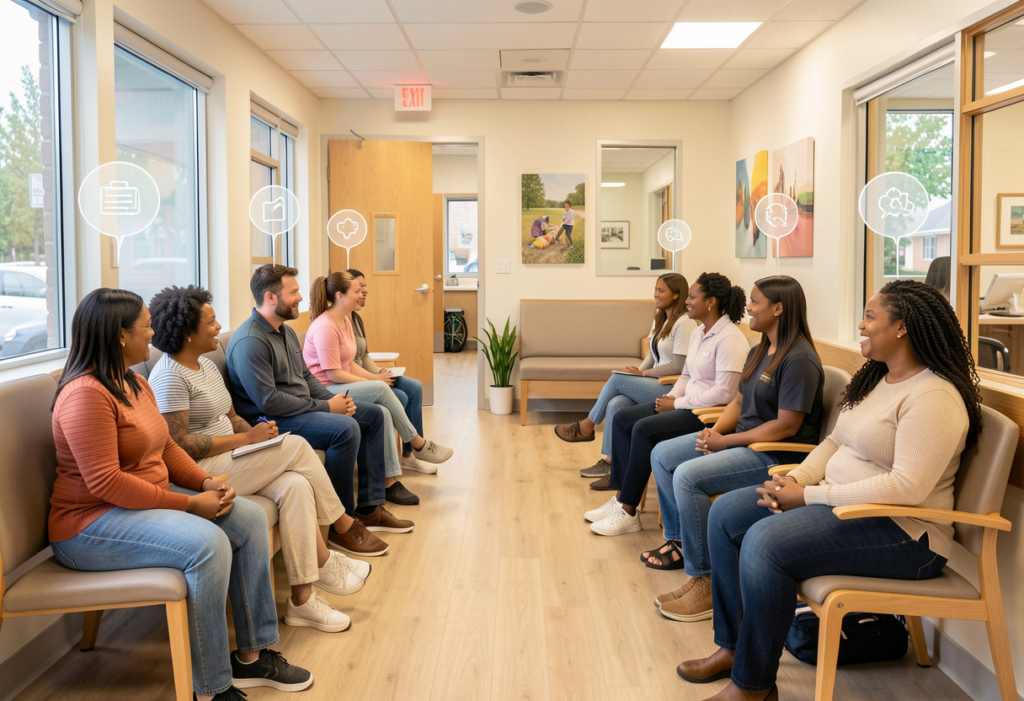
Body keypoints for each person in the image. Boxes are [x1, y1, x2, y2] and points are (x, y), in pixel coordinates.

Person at [678, 280, 980, 701]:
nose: (861, 323)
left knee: (765, 543)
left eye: (871, 317)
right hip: (848, 508)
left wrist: (808, 496)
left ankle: (753, 687)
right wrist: (797, 479)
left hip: (906, 534)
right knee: (727, 513)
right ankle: (732, 648)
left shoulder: (934, 397)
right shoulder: (878, 380)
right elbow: (834, 441)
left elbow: (908, 488)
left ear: (902, 328)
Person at [48, 288, 313, 701]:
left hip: (140, 504)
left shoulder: (134, 381)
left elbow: (167, 448)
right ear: (119, 336)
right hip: (89, 526)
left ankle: (252, 656)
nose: (153, 334)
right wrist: (190, 504)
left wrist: (205, 483)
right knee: (207, 544)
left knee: (246, 517)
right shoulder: (85, 394)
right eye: (145, 326)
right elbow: (105, 483)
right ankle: (210, 687)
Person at [149, 286, 381, 634]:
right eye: (211, 323)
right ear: (186, 332)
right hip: (201, 472)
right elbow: (179, 445)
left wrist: (259, 435)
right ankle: (339, 532)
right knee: (299, 446)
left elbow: (230, 415)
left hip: (232, 455)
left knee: (296, 485)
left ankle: (302, 601)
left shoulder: (205, 367)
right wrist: (247, 439)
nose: (218, 328)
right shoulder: (169, 376)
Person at [646, 275, 823, 623]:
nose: (748, 308)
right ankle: (688, 554)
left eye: (755, 302)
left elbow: (786, 426)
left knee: (688, 477)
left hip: (777, 455)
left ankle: (705, 580)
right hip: (745, 442)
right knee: (665, 456)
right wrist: (714, 431)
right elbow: (738, 402)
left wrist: (725, 442)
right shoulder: (759, 350)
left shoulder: (799, 358)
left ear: (779, 308)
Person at [226, 265, 415, 539]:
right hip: (272, 421)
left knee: (373, 416)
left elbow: (306, 376)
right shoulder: (250, 341)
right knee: (345, 429)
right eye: (294, 292)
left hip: (301, 408)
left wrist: (334, 399)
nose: (301, 297)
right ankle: (343, 524)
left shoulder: (286, 332)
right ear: (270, 298)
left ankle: (370, 508)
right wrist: (328, 408)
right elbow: (269, 402)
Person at [586, 273, 750, 535]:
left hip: (706, 415)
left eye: (692, 297)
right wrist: (672, 397)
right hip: (686, 404)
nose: (687, 301)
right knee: (622, 418)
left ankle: (628, 512)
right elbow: (686, 375)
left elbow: (725, 393)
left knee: (642, 429)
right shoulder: (699, 332)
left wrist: (678, 404)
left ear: (711, 302)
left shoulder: (730, 338)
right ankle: (619, 498)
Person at [303, 271, 453, 504]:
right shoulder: (325, 326)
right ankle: (417, 443)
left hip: (341, 381)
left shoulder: (345, 320)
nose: (362, 293)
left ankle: (389, 481)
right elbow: (333, 372)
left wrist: (374, 376)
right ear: (341, 295)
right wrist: (373, 382)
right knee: (383, 390)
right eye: (357, 290)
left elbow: (349, 363)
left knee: (382, 411)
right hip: (327, 390)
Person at [554, 273, 696, 485]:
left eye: (661, 290)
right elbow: (651, 355)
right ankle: (613, 465)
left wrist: (642, 375)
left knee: (615, 381)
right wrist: (636, 371)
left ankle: (586, 426)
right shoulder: (662, 319)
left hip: (670, 388)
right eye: (655, 289)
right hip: (653, 382)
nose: (655, 294)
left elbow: (679, 365)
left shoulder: (684, 323)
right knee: (617, 402)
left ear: (676, 294)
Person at [346, 269, 434, 475]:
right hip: (356, 380)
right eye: (359, 287)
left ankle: (408, 456)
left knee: (414, 387)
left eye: (365, 286)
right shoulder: (339, 322)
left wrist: (381, 372)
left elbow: (364, 354)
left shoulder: (356, 319)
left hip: (368, 374)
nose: (365, 291)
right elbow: (346, 365)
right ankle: (405, 452)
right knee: (401, 397)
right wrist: (377, 378)